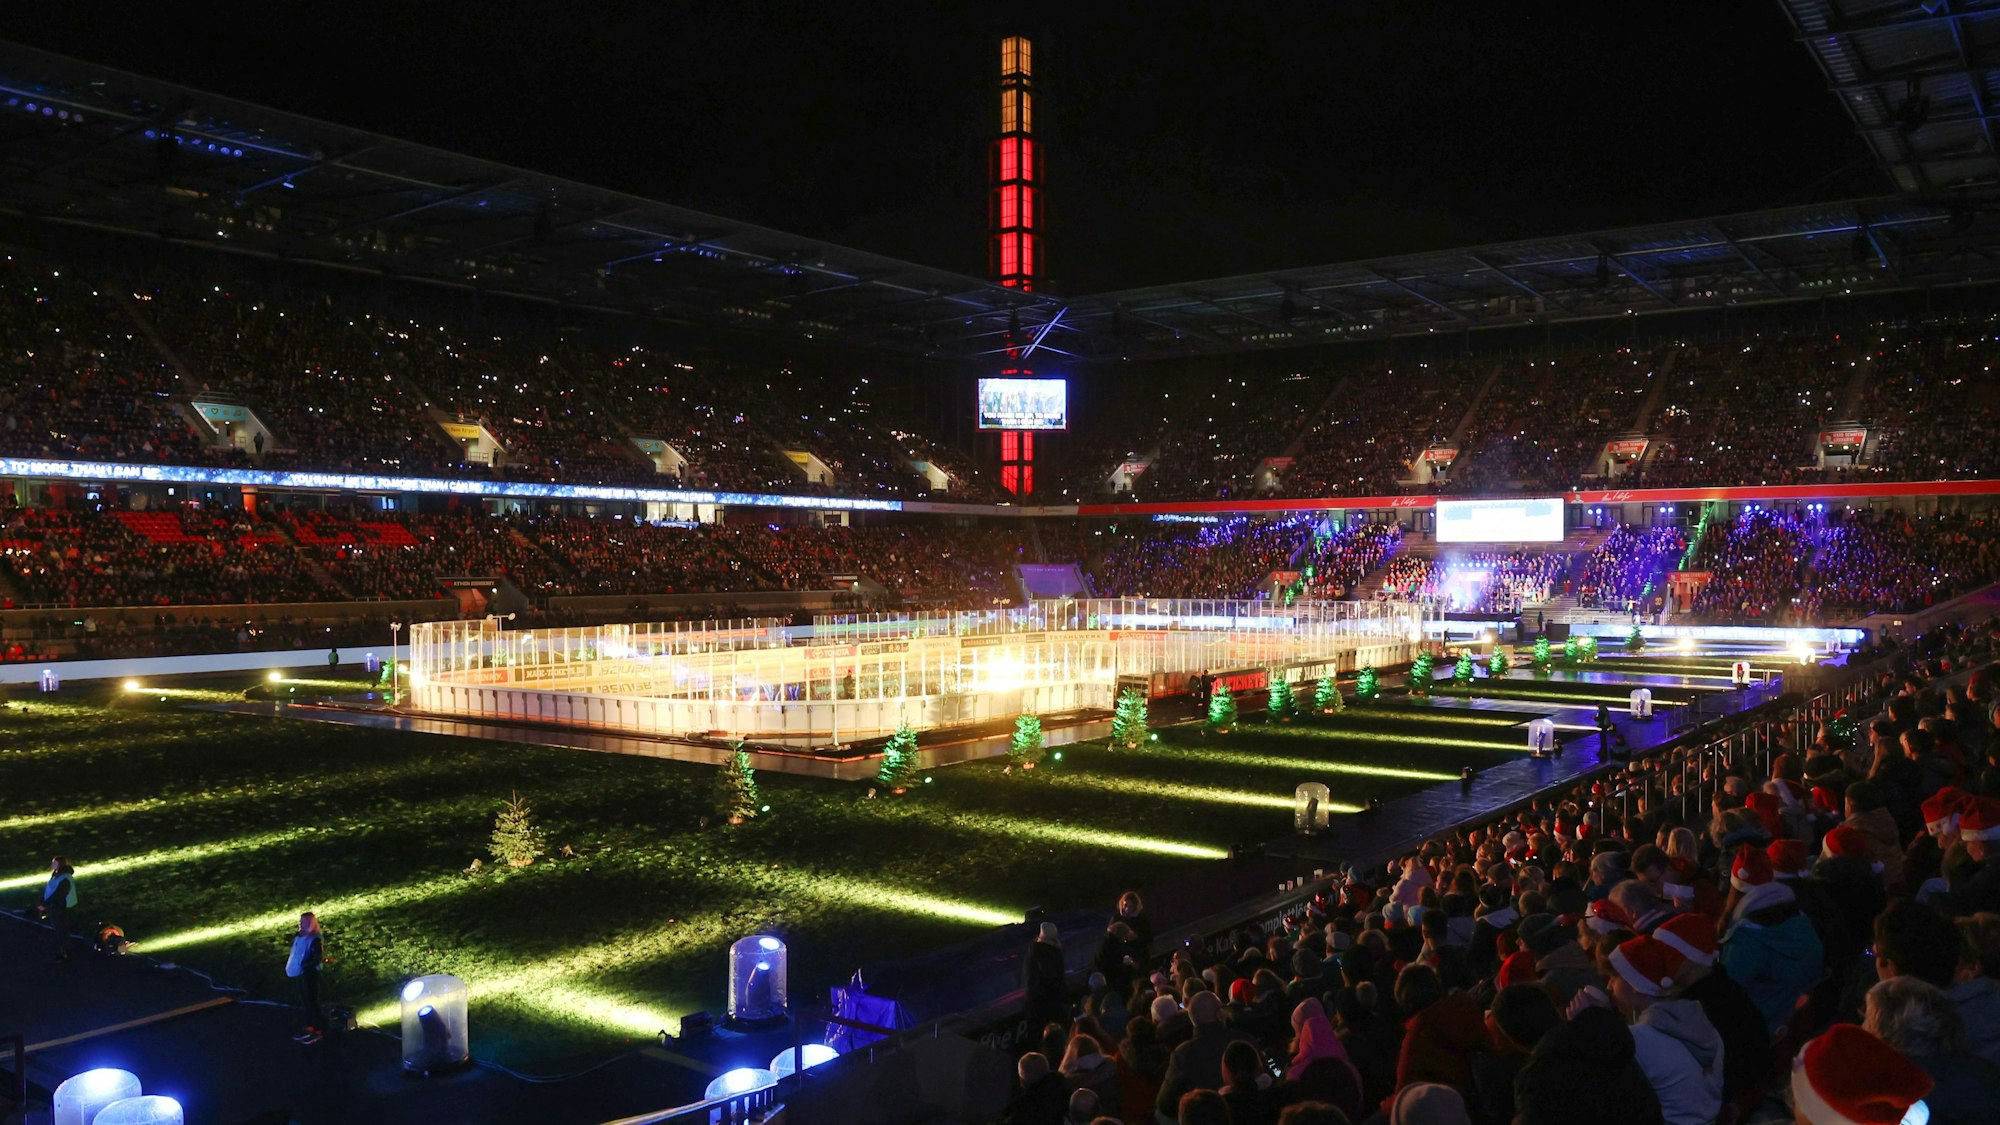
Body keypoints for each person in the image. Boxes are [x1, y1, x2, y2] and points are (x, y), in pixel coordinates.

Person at [1601, 936, 1723, 1125]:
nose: (1609, 986)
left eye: (1614, 977)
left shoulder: (1640, 1039)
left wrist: (1591, 1022)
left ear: (1635, 983)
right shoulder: (1702, 1023)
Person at [1864, 976, 2000, 1125]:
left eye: (1868, 1019)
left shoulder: (1908, 1101)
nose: (1862, 1028)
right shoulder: (1980, 1072)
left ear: (1888, 1030)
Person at [287, 912, 326, 1044]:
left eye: (304, 922)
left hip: (310, 974)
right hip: (301, 972)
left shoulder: (315, 939)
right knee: (305, 1000)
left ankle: (319, 1030)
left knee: (312, 1001)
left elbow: (317, 958)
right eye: (300, 922)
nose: (301, 924)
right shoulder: (300, 937)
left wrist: (305, 965)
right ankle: (310, 1027)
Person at [1025, 922, 1068, 1037]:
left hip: (1039, 1000)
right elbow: (1051, 975)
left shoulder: (1035, 949)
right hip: (1046, 1000)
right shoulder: (1047, 953)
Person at [40, 855, 76, 964]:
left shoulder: (65, 877)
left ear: (60, 864)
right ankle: (63, 951)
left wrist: (45, 904)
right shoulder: (56, 875)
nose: (52, 865)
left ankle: (65, 953)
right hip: (57, 906)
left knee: (62, 931)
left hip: (62, 907)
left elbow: (59, 894)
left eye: (54, 863)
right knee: (60, 930)